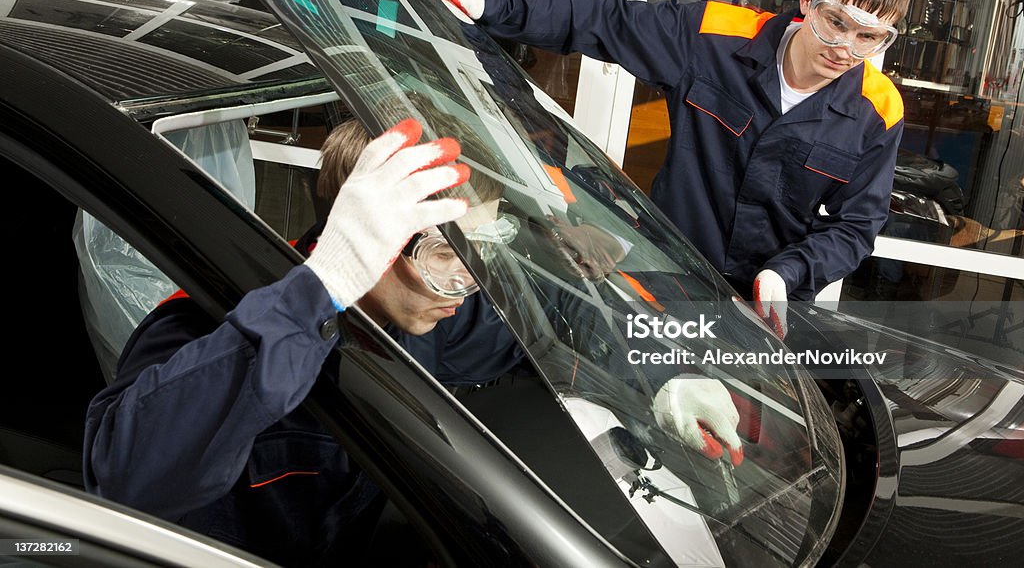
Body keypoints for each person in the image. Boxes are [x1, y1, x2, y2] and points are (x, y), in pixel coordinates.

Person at [85, 117, 741, 566]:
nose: (466, 282)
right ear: (370, 231)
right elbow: (128, 476)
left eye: (482, 250)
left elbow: (561, 308)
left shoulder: (420, 312)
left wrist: (664, 372)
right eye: (443, 252)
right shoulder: (206, 322)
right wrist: (323, 288)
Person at [437, 0, 914, 338]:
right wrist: (493, 4)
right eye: (836, 22)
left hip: (763, 312)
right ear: (808, 0)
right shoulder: (714, 37)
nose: (845, 49)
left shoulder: (879, 110)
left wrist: (787, 274)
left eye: (869, 38)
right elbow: (608, 20)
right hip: (665, 278)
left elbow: (856, 227)